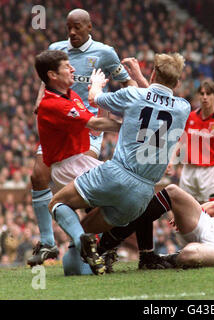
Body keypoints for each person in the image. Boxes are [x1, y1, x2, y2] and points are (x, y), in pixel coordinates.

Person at [48, 52, 191, 275]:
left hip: (117, 173)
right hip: (143, 193)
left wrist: (96, 83)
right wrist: (144, 79)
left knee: (56, 204)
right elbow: (160, 100)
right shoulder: (183, 108)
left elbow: (96, 98)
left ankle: (81, 245)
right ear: (178, 82)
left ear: (153, 73)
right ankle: (91, 255)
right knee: (85, 234)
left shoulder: (133, 95)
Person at [28, 8, 135, 267]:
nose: (72, 32)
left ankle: (98, 245)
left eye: (77, 27)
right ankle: (47, 242)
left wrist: (134, 105)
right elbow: (46, 79)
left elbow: (127, 82)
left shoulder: (105, 53)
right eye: (69, 28)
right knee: (37, 176)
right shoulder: (57, 49)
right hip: (60, 120)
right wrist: (39, 100)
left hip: (89, 126)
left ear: (89, 27)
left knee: (85, 186)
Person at [33, 49, 123, 274]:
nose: (73, 69)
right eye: (67, 67)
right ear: (53, 75)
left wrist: (98, 95)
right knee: (120, 193)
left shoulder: (70, 95)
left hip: (80, 161)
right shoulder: (54, 105)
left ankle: (85, 246)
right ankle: (102, 246)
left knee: (75, 269)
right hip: (67, 166)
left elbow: (96, 121)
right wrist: (131, 127)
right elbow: (96, 125)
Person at [168, 79, 214, 203]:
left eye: (208, 94)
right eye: (202, 94)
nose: (205, 97)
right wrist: (171, 160)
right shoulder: (191, 117)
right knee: (184, 209)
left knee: (211, 212)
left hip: (211, 172)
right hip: (189, 171)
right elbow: (181, 141)